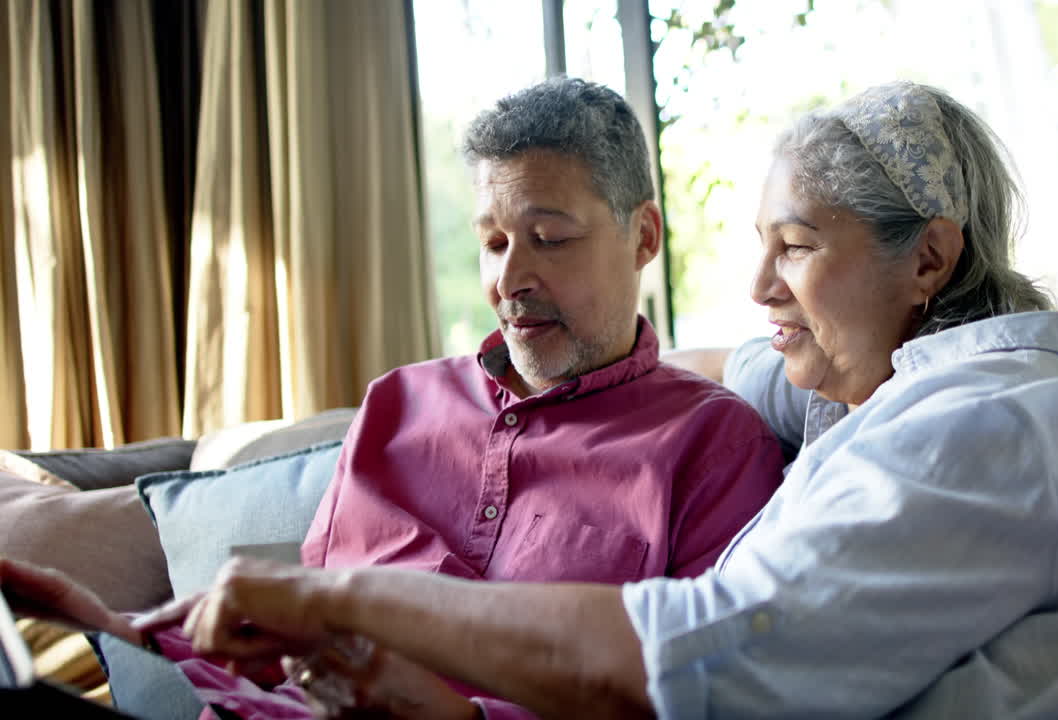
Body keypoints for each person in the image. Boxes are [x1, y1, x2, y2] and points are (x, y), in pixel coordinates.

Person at [26, 80, 1058, 718]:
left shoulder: (977, 437)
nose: (754, 288)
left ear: (927, 262)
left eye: (792, 247)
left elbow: (705, 662)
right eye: (492, 240)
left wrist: (346, 601)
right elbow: (748, 369)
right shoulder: (876, 396)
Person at [0, 77, 785, 720]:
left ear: (644, 237)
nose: (509, 281)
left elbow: (703, 697)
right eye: (493, 242)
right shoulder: (398, 406)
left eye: (549, 240)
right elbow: (282, 665)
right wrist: (121, 628)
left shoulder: (713, 443)